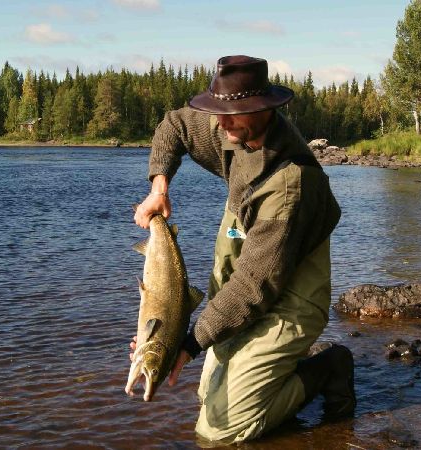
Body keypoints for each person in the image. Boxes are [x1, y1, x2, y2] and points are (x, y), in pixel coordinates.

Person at [131, 55, 356, 444]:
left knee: (219, 431)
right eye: (219, 111)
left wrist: (188, 343)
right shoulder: (232, 127)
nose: (221, 122)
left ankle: (327, 368)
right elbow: (174, 126)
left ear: (263, 109)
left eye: (232, 114)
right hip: (249, 285)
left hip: (289, 301)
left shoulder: (290, 184)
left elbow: (254, 287)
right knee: (205, 396)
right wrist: (159, 189)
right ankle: (271, 373)